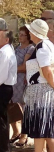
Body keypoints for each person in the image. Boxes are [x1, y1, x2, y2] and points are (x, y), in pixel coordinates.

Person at [22, 19, 54, 152]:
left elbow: (47, 71)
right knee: (46, 131)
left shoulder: (42, 48)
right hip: (42, 92)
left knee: (40, 130)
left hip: (41, 93)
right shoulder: (46, 45)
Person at [9, 26, 35, 147]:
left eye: (22, 35)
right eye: (19, 34)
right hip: (13, 80)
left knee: (23, 108)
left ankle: (24, 136)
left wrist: (10, 70)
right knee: (11, 106)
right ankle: (16, 132)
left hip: (22, 81)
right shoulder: (17, 48)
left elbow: (24, 67)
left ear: (28, 36)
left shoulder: (30, 49)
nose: (19, 36)